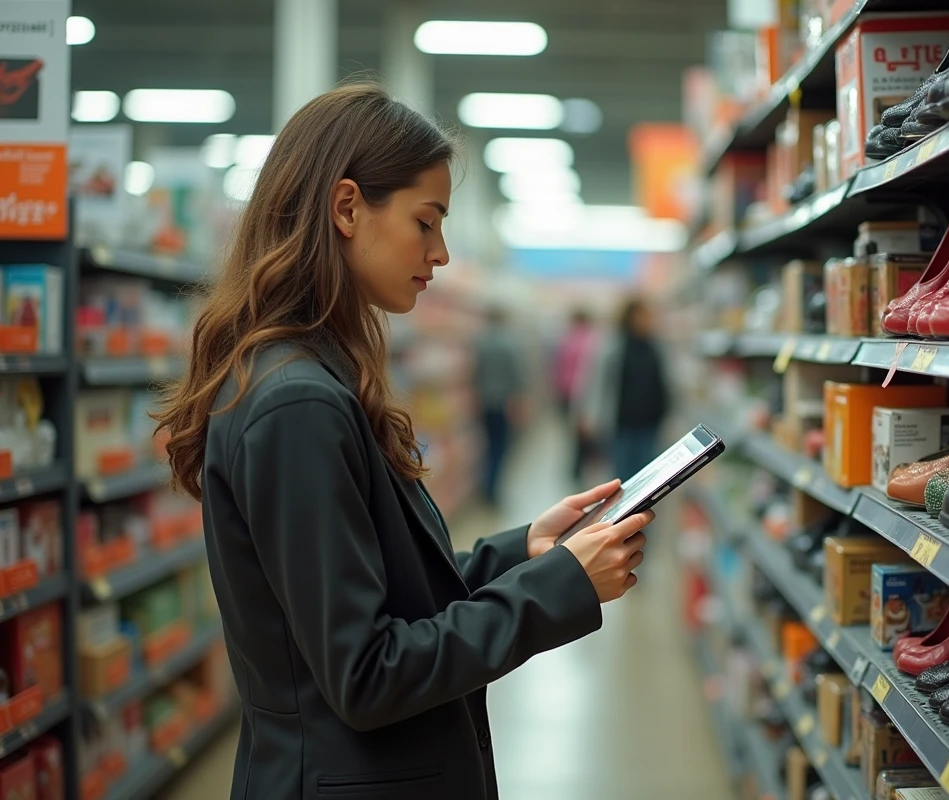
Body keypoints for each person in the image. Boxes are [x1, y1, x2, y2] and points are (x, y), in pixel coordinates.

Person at [152, 83, 651, 800]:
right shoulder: (297, 404)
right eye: (427, 222)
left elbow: (382, 586)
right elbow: (367, 673)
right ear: (348, 207)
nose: (441, 252)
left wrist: (524, 552)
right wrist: (557, 590)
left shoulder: (314, 374)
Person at [581, 298, 673, 482]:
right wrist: (590, 416)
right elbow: (596, 383)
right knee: (622, 474)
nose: (647, 321)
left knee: (647, 473)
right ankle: (624, 509)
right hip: (621, 423)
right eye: (642, 316)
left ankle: (641, 507)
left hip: (650, 422)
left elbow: (665, 382)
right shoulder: (613, 347)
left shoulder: (656, 347)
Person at [473, 307, 526, 506]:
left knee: (488, 444)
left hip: (484, 400)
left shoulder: (481, 343)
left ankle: (486, 487)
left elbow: (475, 372)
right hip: (503, 402)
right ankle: (493, 490)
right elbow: (517, 375)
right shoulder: (509, 344)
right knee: (500, 447)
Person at [552, 308, 598, 484]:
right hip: (585, 394)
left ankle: (576, 468)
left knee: (574, 433)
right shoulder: (594, 341)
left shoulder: (565, 341)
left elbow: (557, 367)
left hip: (566, 393)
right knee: (584, 434)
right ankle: (581, 466)